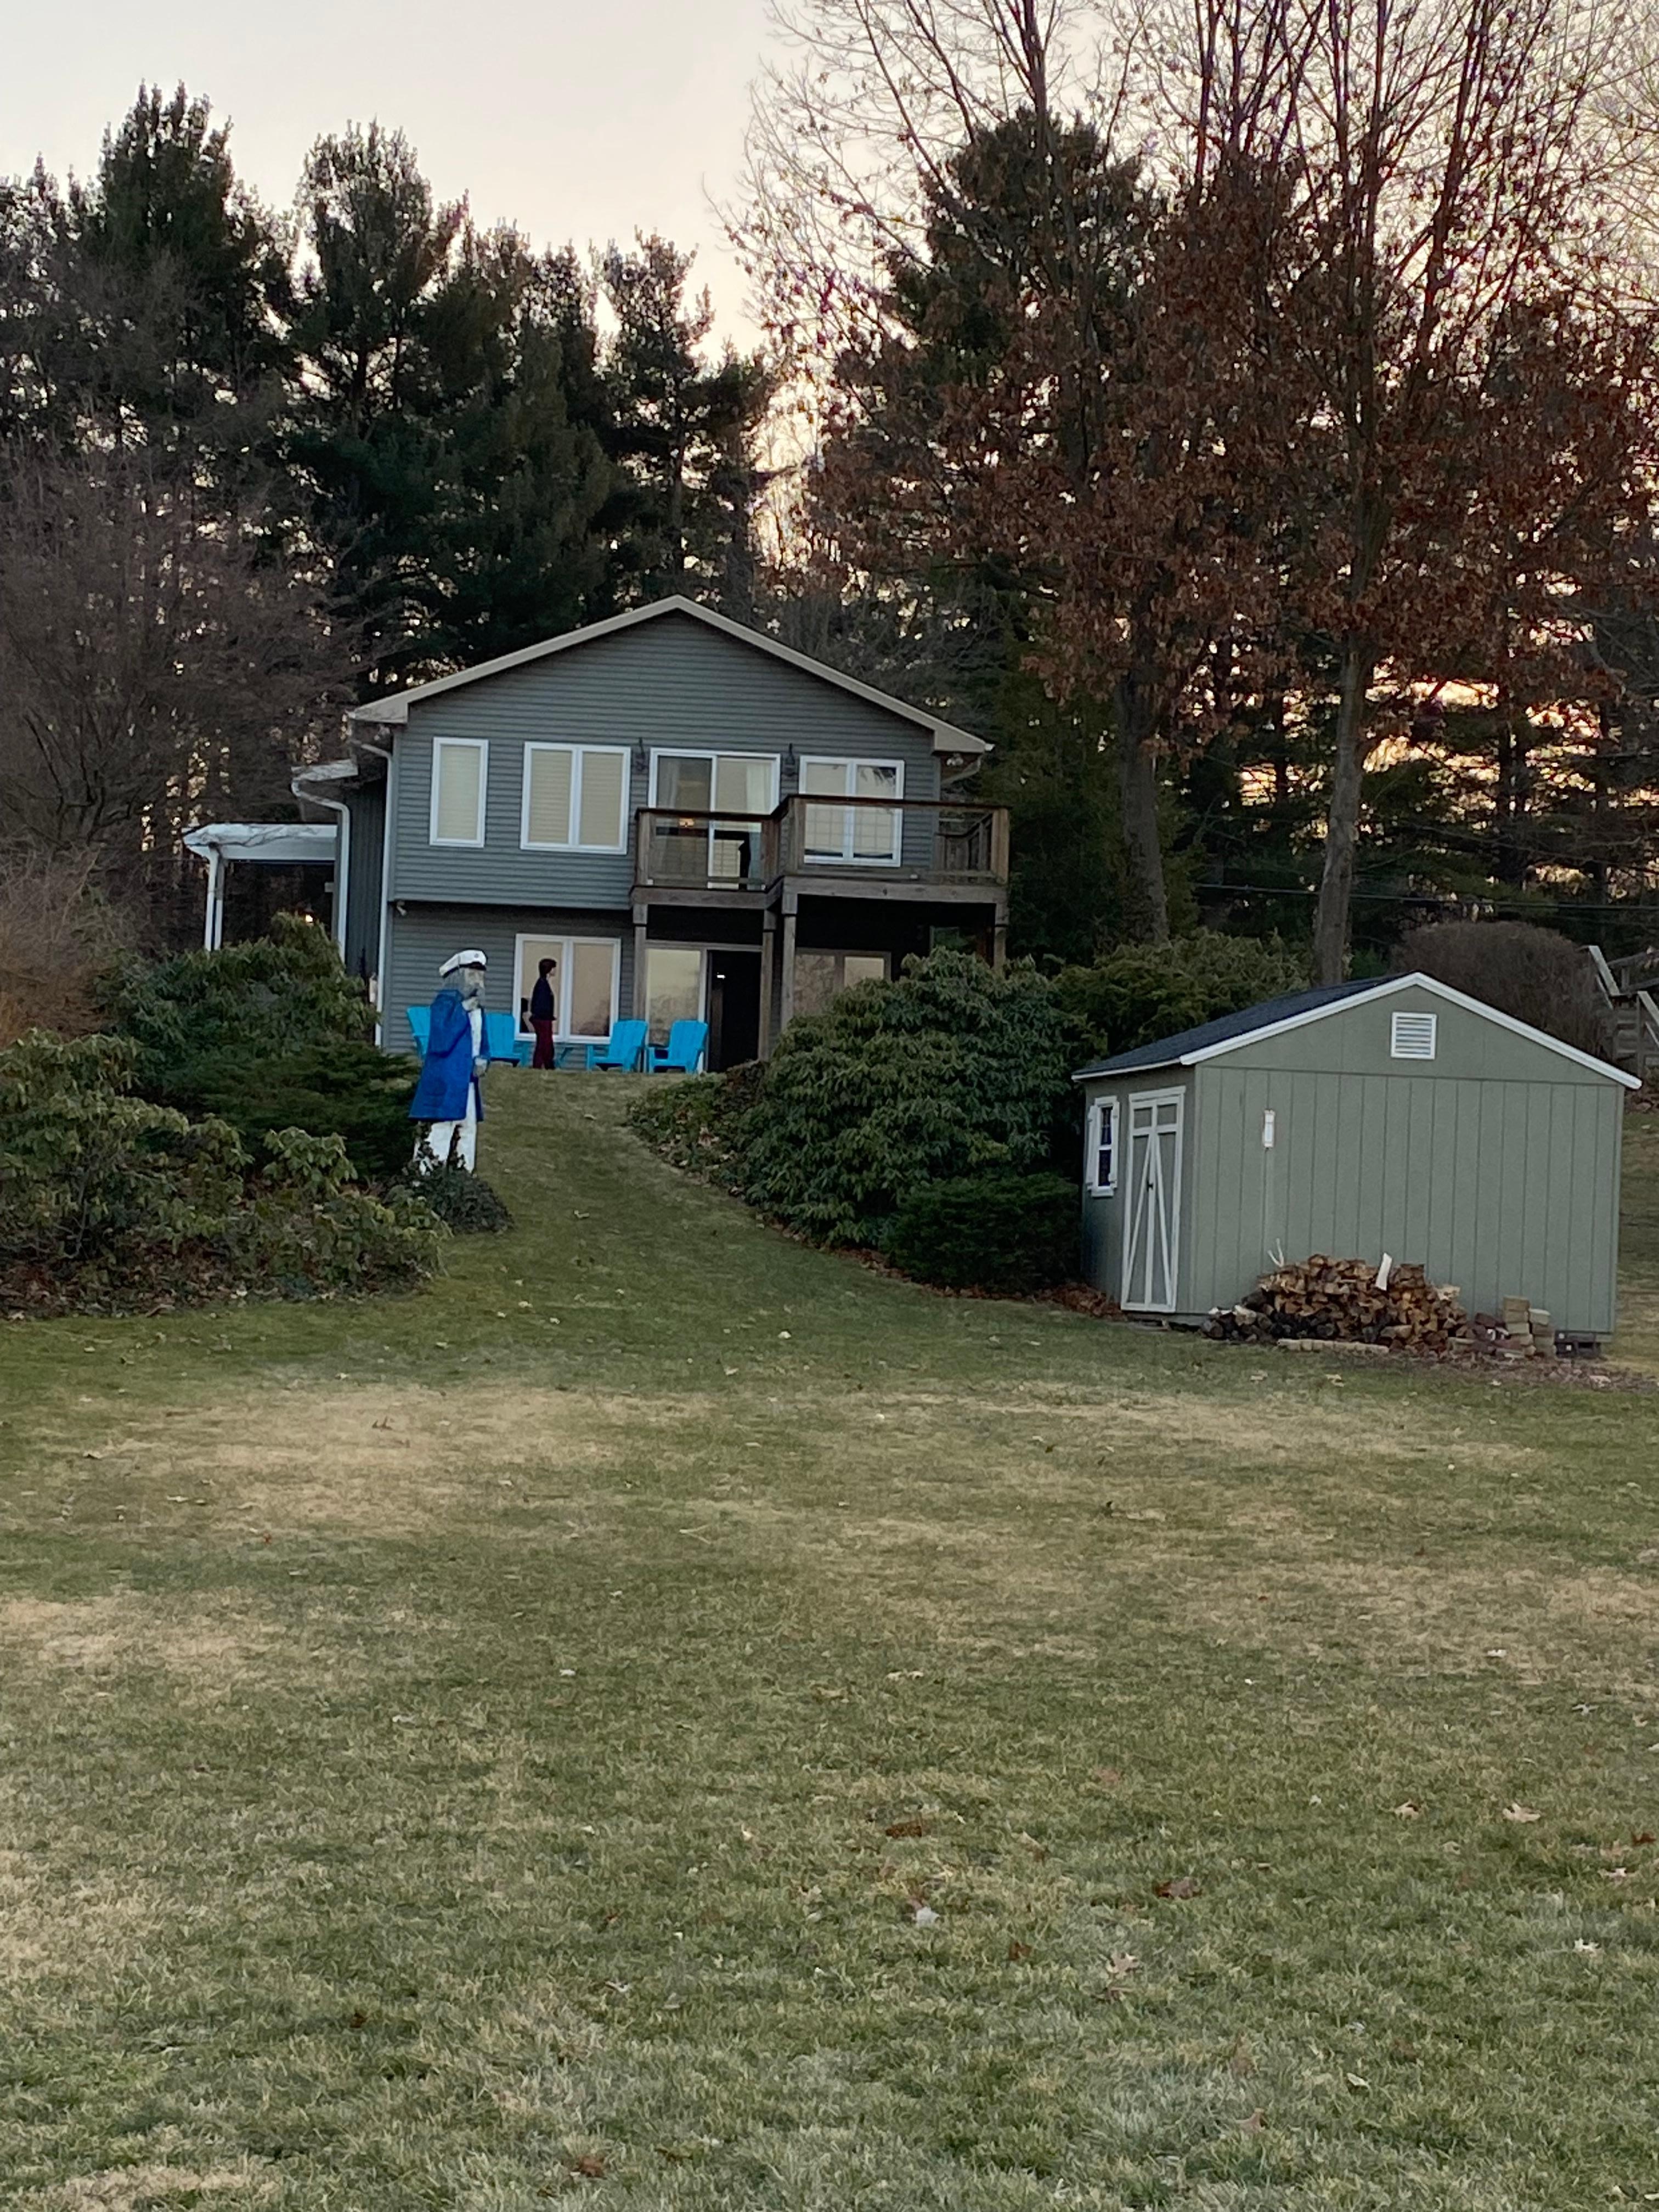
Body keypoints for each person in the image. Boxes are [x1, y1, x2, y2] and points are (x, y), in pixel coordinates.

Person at [410, 950, 489, 1171]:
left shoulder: (478, 1007)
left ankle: (462, 1181)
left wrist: (484, 1058)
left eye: (480, 974)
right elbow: (441, 1041)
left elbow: (482, 1040)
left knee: (468, 1131)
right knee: (440, 1130)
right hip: (444, 1081)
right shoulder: (444, 1003)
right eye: (472, 973)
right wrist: (463, 1011)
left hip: (468, 1082)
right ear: (459, 975)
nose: (477, 979)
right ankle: (426, 1181)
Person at [529, 954, 558, 1069]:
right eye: (554, 968)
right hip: (542, 1019)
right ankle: (543, 1065)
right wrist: (546, 1016)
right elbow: (541, 1003)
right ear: (549, 969)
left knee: (545, 1043)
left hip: (543, 1018)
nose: (555, 971)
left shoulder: (544, 983)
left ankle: (546, 1064)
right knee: (544, 1043)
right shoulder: (542, 984)